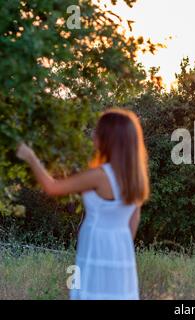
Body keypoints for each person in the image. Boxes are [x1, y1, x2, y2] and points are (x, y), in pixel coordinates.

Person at [16, 109, 150, 300]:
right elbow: (134, 217)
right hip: (122, 250)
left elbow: (53, 188)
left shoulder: (99, 176)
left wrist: (30, 157)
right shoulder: (136, 179)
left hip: (95, 245)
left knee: (89, 293)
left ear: (108, 138)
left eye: (98, 130)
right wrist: (119, 245)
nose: (93, 134)